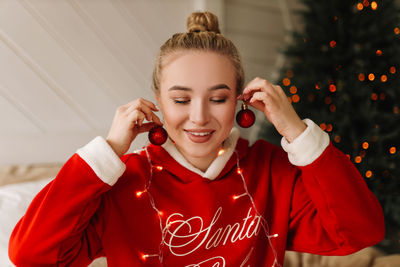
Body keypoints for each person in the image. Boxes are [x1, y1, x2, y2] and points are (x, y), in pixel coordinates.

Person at [9, 11, 384, 267]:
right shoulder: (124, 181)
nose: (200, 116)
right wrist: (107, 152)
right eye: (181, 99)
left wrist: (298, 133)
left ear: (240, 97)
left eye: (218, 98)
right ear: (157, 102)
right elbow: (31, 255)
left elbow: (360, 231)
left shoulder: (271, 172)